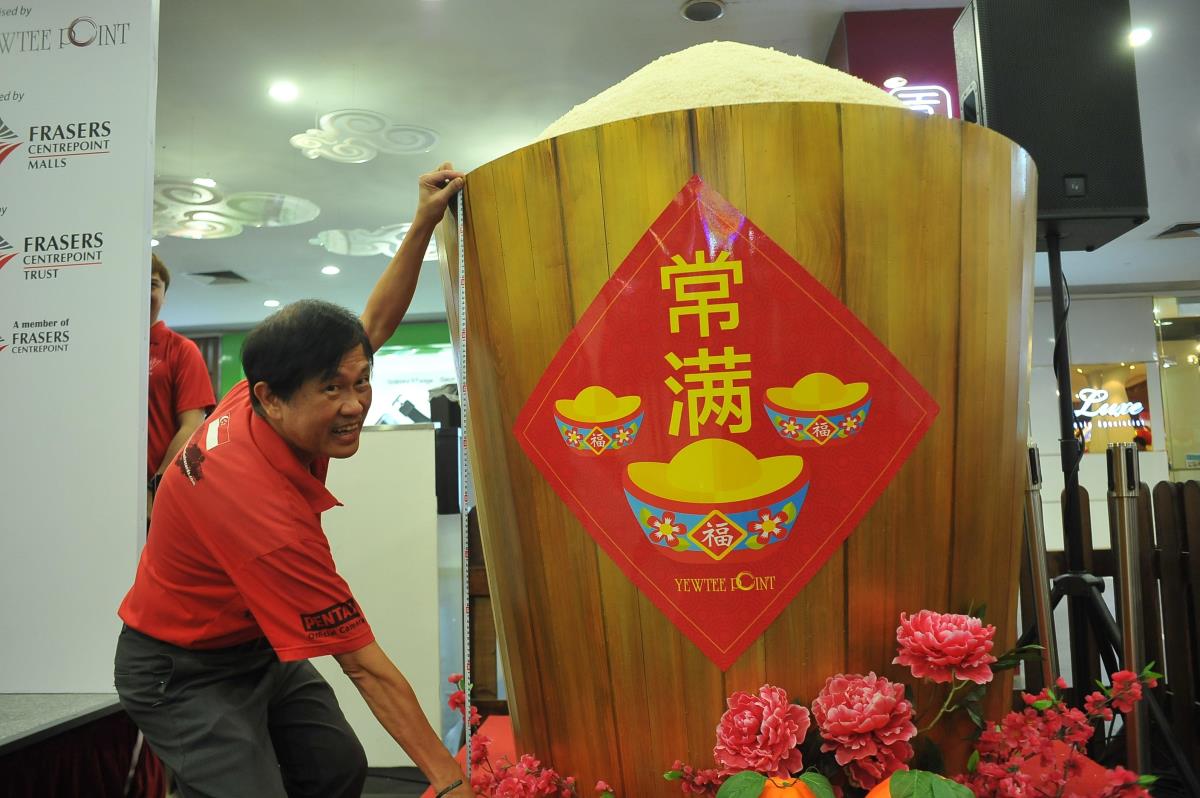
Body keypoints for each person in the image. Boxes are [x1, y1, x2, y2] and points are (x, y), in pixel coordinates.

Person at [115, 164, 476, 798]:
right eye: (331, 390)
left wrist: (423, 221)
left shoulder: (261, 397)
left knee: (335, 767)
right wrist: (449, 783)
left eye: (360, 382)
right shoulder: (259, 509)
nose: (355, 403)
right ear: (272, 400)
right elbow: (364, 667)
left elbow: (376, 323)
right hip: (178, 666)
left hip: (252, 644)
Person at [147, 253, 217, 515]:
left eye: (152, 285)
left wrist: (155, 485)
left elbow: (192, 425)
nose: (143, 292)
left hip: (157, 495)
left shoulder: (181, 350)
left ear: (164, 295)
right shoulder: (102, 347)